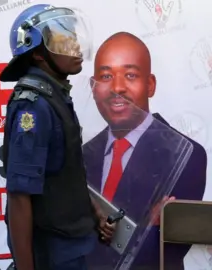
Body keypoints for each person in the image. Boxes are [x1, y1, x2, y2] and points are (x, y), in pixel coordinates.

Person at [0, 4, 115, 270]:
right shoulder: (34, 106)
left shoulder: (55, 95)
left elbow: (62, 173)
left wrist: (93, 212)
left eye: (74, 38)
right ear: (38, 53)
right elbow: (19, 196)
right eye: (64, 41)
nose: (75, 46)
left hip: (70, 247)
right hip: (53, 255)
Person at [83, 31, 207, 270]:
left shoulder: (186, 155)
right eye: (106, 76)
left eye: (130, 75)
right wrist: (147, 222)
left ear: (150, 85)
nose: (117, 87)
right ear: (93, 87)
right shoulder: (82, 156)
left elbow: (169, 249)